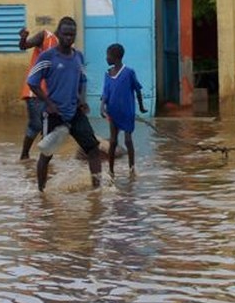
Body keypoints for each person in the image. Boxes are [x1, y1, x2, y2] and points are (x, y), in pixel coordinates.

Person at [27, 17, 101, 191]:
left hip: (75, 112)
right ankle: (41, 193)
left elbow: (82, 80)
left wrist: (82, 100)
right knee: (46, 155)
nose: (69, 38)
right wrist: (48, 103)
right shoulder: (47, 57)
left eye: (72, 35)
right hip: (53, 114)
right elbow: (32, 81)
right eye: (66, 34)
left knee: (93, 149)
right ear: (58, 34)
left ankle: (97, 190)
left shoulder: (78, 56)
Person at [100, 43, 147, 176]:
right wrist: (102, 106)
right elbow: (105, 93)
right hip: (113, 112)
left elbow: (137, 90)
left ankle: (132, 169)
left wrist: (142, 107)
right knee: (113, 141)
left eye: (107, 55)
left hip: (127, 112)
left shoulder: (129, 72)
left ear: (115, 57)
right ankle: (111, 170)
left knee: (127, 140)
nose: (106, 58)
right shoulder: (107, 74)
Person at [18, 27, 58, 160]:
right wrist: (23, 37)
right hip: (34, 91)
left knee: (49, 127)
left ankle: (44, 160)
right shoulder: (45, 36)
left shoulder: (65, 49)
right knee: (36, 125)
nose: (70, 38)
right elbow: (24, 46)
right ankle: (25, 156)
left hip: (50, 94)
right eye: (67, 34)